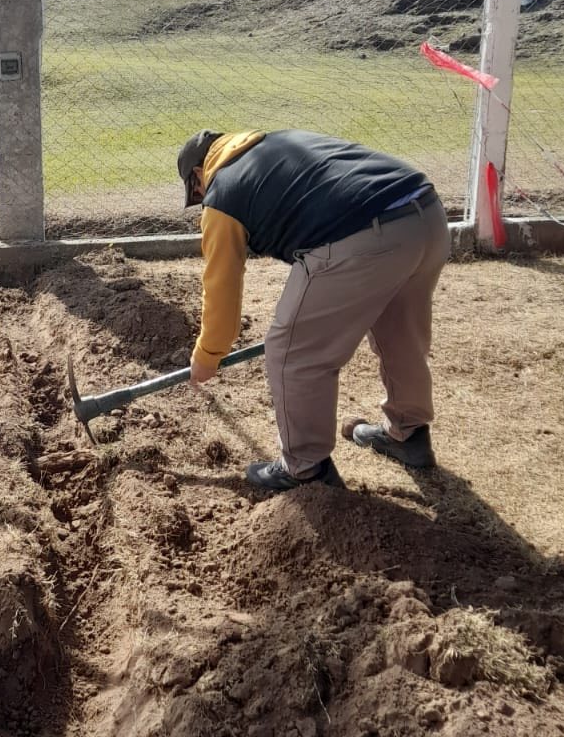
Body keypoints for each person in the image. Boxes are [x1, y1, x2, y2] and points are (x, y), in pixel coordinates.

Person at [178, 129, 450, 493]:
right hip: (426, 215)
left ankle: (305, 469)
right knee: (400, 331)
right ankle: (409, 433)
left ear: (199, 173)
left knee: (292, 350)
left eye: (196, 193)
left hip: (364, 237)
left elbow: (221, 286)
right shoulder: (272, 145)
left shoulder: (222, 194)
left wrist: (208, 355)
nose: (202, 199)